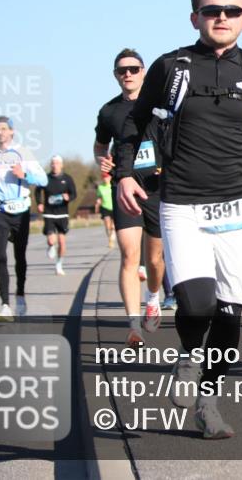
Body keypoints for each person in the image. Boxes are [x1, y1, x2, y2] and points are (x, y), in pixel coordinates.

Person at [115, 0, 242, 438]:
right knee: (197, 301)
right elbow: (134, 123)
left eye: (231, 10)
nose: (221, 17)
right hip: (182, 203)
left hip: (239, 204)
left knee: (229, 315)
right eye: (212, 10)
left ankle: (208, 402)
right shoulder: (171, 67)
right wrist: (123, 172)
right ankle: (188, 355)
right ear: (195, 17)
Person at [94, 48, 167, 349]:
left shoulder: (160, 104)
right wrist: (101, 160)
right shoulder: (109, 111)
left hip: (157, 187)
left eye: (134, 69)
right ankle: (134, 326)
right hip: (124, 187)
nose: (128, 74)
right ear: (115, 75)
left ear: (143, 72)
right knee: (129, 254)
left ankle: (153, 298)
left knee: (155, 259)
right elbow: (100, 146)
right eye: (122, 70)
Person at [0, 116, 47, 321]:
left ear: (11, 132)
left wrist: (24, 174)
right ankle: (5, 305)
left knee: (19, 256)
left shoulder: (22, 152)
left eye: (3, 129)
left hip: (21, 211)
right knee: (1, 256)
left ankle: (20, 295)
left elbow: (42, 179)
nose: (0, 132)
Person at [35, 155, 76, 276]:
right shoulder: (45, 178)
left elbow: (74, 194)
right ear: (51, 165)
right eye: (53, 163)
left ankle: (59, 265)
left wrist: (68, 197)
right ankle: (51, 246)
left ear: (61, 165)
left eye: (57, 163)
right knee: (51, 239)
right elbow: (37, 191)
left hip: (62, 214)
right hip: (49, 213)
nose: (55, 165)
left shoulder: (67, 179)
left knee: (62, 244)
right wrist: (39, 203)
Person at [94, 172, 116, 248]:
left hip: (114, 207)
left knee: (113, 226)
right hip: (105, 207)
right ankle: (110, 239)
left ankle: (112, 237)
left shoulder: (113, 185)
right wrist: (97, 206)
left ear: (110, 177)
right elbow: (99, 198)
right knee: (107, 225)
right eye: (104, 178)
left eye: (107, 177)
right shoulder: (100, 187)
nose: (105, 179)